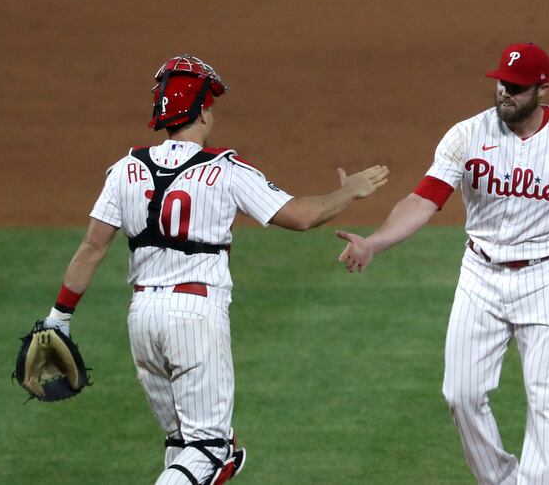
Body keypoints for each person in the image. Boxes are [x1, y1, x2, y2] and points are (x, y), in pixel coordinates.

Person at [39, 54, 389, 485]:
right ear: (203, 110)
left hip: (142, 319)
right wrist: (349, 192)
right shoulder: (224, 170)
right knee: (209, 450)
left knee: (183, 444)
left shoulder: (124, 170)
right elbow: (300, 215)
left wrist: (59, 318)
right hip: (195, 317)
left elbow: (92, 248)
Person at [336, 43, 549, 484]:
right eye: (501, 83)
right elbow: (424, 198)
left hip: (546, 279)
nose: (505, 92)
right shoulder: (467, 135)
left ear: (542, 89)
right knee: (461, 394)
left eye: (517, 87)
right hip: (480, 277)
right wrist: (375, 243)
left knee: (548, 401)